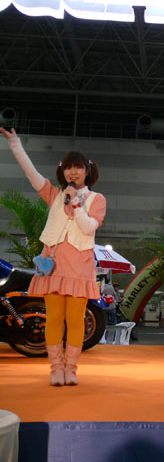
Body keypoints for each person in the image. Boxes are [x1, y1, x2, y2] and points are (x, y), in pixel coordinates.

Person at [1, 127, 106, 386]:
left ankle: (72, 368)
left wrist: (76, 203)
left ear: (87, 171)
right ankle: (56, 368)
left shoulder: (97, 199)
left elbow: (88, 228)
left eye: (78, 167)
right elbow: (31, 174)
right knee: (54, 319)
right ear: (63, 171)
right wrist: (16, 146)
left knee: (75, 321)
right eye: (68, 167)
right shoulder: (55, 195)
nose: (73, 172)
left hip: (80, 267)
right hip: (54, 266)